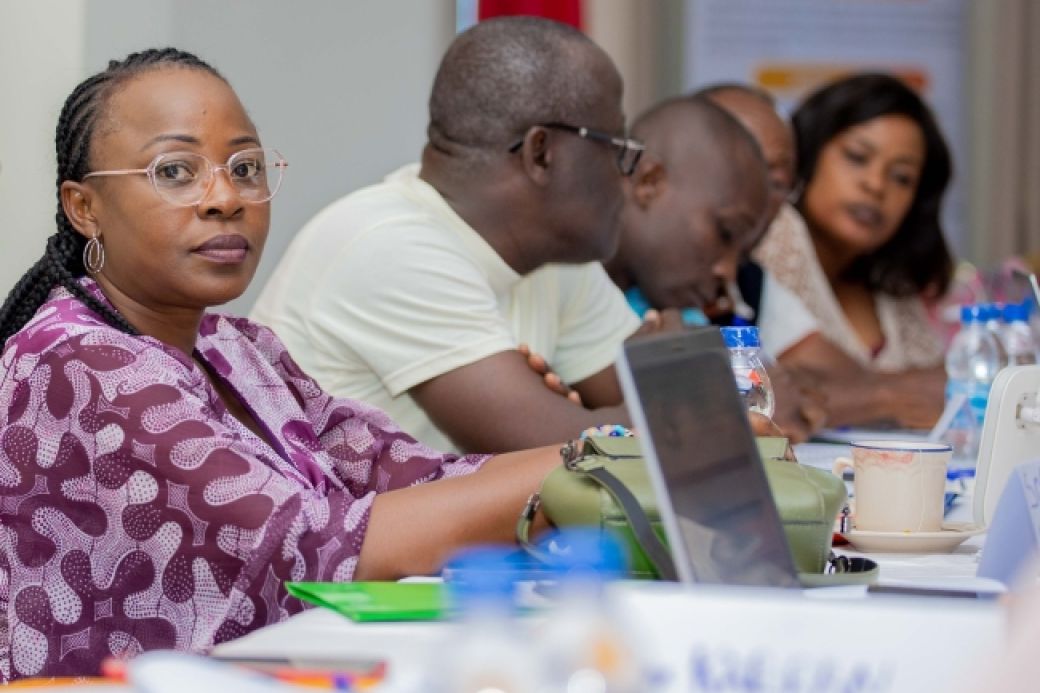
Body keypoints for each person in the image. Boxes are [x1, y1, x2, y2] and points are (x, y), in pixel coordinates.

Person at [0, 48, 564, 681]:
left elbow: (402, 471)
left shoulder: (235, 346)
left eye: (244, 167)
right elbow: (316, 545)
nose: (225, 197)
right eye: (176, 171)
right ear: (85, 208)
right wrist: (585, 468)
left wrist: (602, 457)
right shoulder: (78, 361)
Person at [250, 17, 647, 454]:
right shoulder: (387, 244)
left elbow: (657, 416)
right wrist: (609, 412)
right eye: (617, 150)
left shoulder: (554, 258)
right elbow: (563, 453)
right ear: (541, 153)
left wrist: (603, 418)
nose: (627, 179)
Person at [716, 77, 952, 429]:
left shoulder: (889, 278)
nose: (875, 185)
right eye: (857, 158)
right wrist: (893, 395)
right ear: (807, 156)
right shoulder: (776, 232)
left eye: (902, 177)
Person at [602, 95, 822, 443]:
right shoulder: (562, 277)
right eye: (724, 234)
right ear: (650, 182)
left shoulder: (680, 310)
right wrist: (727, 406)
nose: (727, 273)